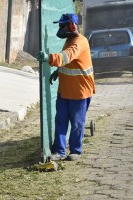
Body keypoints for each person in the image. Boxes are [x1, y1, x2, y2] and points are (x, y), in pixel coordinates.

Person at [37, 13, 95, 161]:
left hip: (80, 91)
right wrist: (58, 71)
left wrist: (49, 58)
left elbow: (67, 56)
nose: (60, 29)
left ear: (72, 26)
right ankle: (60, 151)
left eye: (62, 26)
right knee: (61, 121)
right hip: (65, 90)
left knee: (77, 123)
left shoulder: (79, 42)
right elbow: (69, 62)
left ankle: (75, 150)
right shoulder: (69, 40)